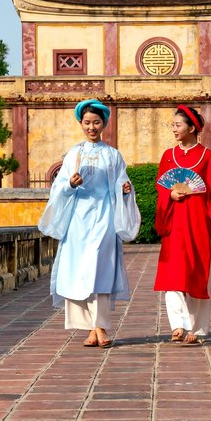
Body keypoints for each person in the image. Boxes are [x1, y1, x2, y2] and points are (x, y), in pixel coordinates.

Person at [38, 99, 140, 348]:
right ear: (80, 124)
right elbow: (58, 188)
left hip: (104, 218)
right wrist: (70, 184)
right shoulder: (74, 154)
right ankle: (91, 328)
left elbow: (121, 183)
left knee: (101, 270)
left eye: (96, 122)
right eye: (87, 123)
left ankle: (101, 326)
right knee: (78, 272)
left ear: (104, 124)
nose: (92, 127)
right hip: (77, 221)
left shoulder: (113, 155)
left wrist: (125, 190)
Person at [153, 105, 211, 345]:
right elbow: (161, 187)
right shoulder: (167, 156)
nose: (174, 129)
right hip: (175, 223)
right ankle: (178, 325)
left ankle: (198, 329)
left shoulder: (206, 156)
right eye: (172, 125)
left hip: (199, 224)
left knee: (198, 274)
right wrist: (170, 195)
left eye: (178, 125)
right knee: (173, 275)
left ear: (192, 128)